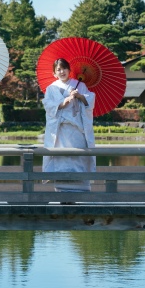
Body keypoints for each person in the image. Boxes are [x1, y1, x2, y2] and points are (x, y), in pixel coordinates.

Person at [42, 58, 96, 192]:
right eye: (58, 69)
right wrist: (62, 103)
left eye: (64, 68)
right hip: (60, 131)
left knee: (77, 158)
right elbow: (48, 107)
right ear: (54, 73)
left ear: (69, 70)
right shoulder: (51, 88)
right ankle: (61, 192)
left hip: (76, 131)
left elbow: (89, 101)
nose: (62, 71)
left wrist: (80, 96)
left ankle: (80, 192)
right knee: (61, 159)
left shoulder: (79, 85)